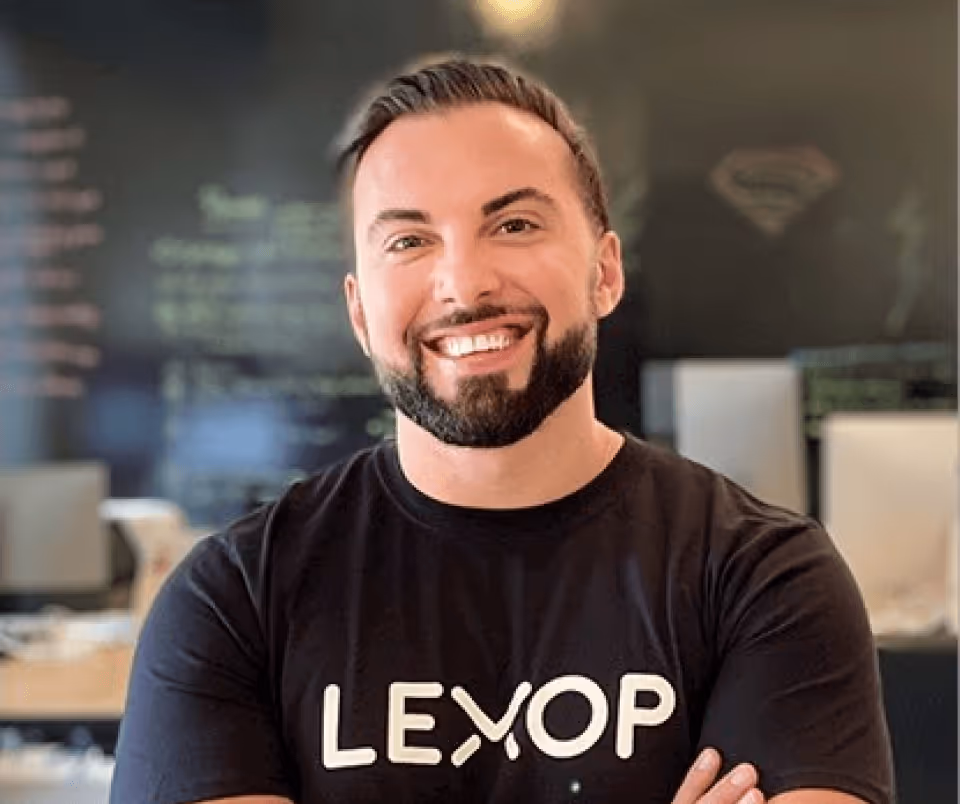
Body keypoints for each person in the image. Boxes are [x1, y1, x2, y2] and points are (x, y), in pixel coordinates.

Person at [110, 56, 894, 804]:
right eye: (409, 241)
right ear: (358, 310)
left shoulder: (764, 581)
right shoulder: (232, 600)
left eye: (515, 224)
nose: (465, 283)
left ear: (606, 272)